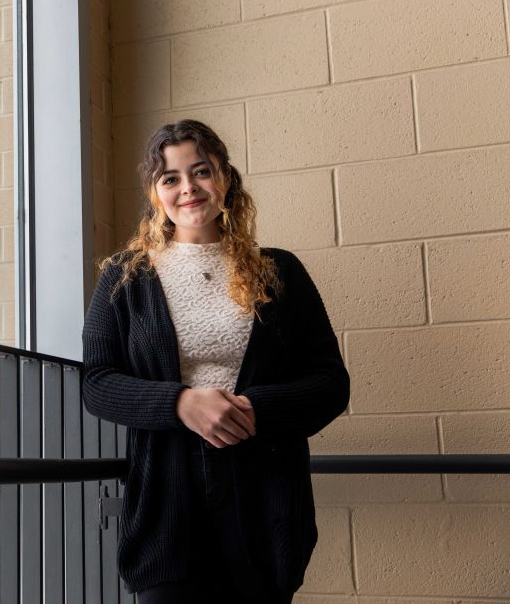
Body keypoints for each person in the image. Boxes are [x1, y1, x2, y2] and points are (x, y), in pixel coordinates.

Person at [82, 119, 349, 603]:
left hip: (265, 505)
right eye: (170, 178)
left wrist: (251, 410)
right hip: (166, 507)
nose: (188, 188)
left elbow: (330, 382)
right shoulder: (125, 277)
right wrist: (181, 404)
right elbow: (97, 383)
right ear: (155, 193)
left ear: (225, 177)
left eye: (201, 171)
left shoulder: (279, 271)